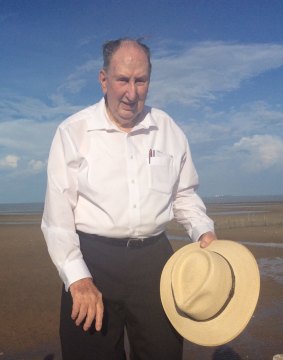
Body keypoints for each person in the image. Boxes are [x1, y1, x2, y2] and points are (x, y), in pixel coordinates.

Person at [41, 38, 216, 360]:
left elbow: (185, 194)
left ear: (150, 79)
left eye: (141, 81)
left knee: (163, 352)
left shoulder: (168, 129)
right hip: (93, 259)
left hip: (156, 263)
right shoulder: (73, 131)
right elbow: (57, 217)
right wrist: (78, 280)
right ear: (104, 79)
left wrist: (203, 231)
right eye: (122, 79)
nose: (131, 93)